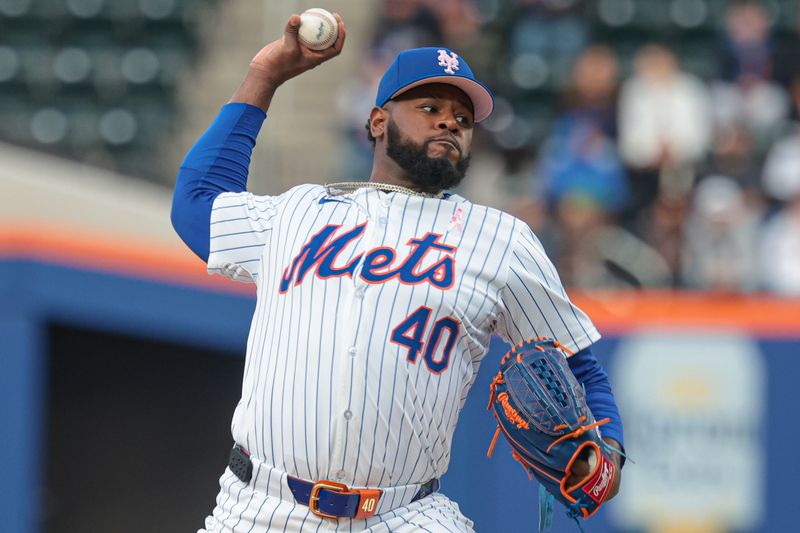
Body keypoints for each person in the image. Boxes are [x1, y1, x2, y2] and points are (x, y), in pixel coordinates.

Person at [171, 13, 624, 532]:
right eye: (429, 107)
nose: (450, 122)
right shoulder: (297, 212)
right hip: (260, 507)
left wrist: (608, 448)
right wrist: (265, 75)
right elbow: (196, 202)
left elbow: (579, 365)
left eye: (463, 117)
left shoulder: (502, 241)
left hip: (404, 514)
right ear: (378, 122)